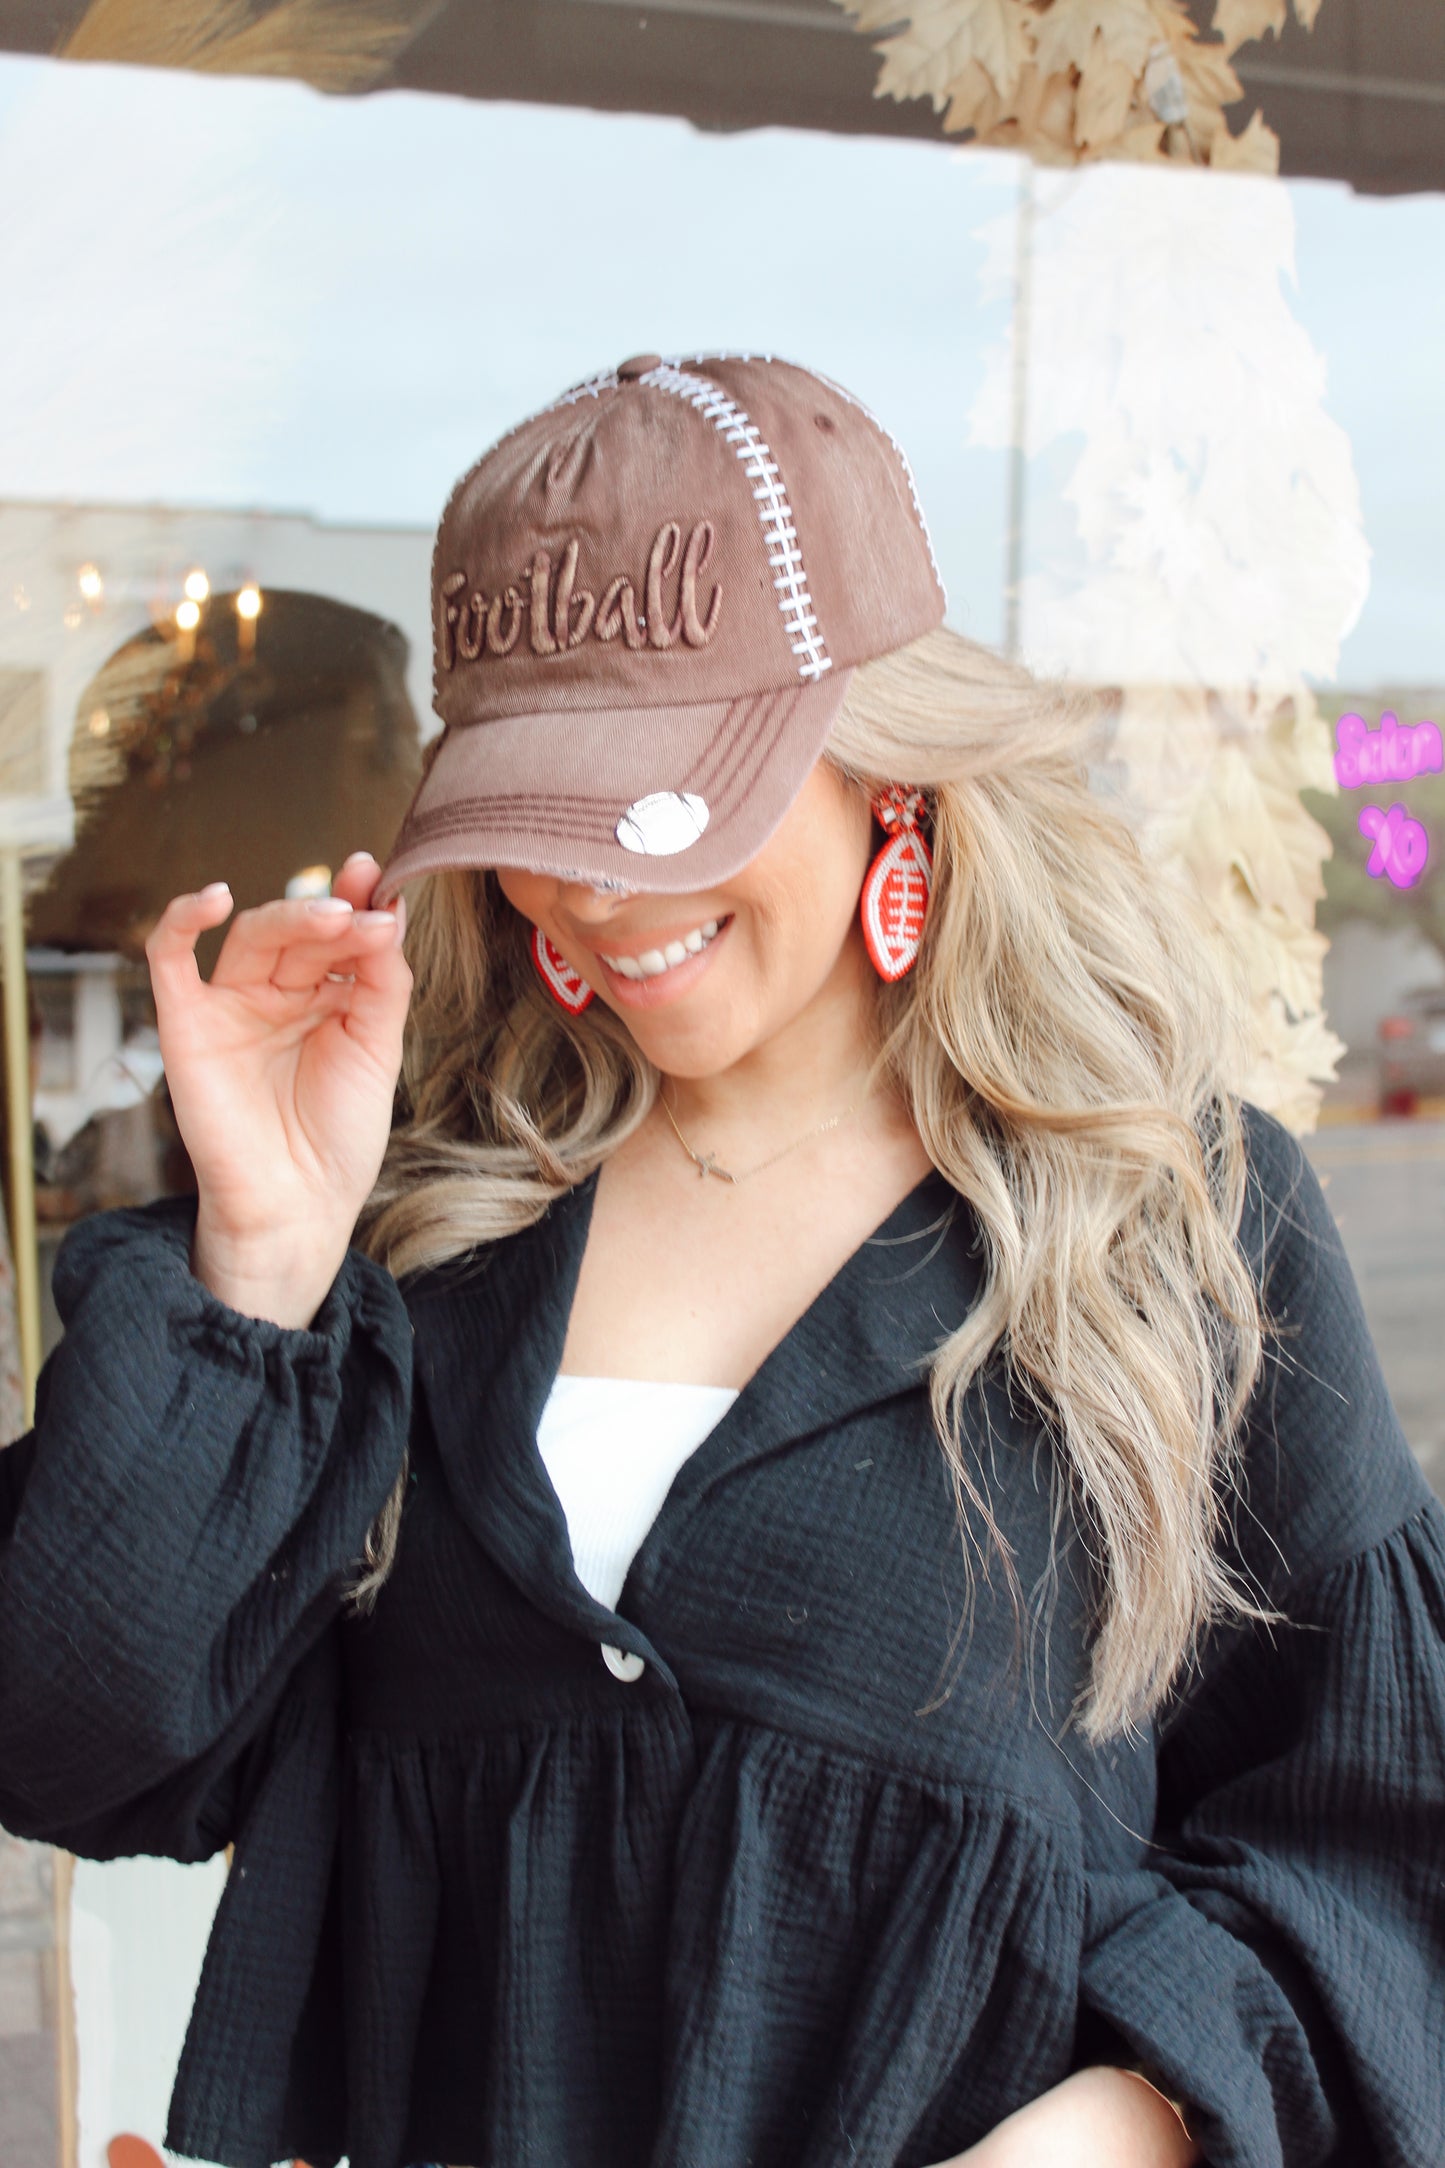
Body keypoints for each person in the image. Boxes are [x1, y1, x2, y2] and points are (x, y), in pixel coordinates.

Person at [0, 354, 1441, 2168]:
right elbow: (69, 1747)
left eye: (665, 798)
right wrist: (267, 1255)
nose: (592, 891)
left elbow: (1386, 1843)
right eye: (541, 817)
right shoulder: (411, 1242)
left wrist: (1127, 2120)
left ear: (885, 770)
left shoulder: (1166, 1224)